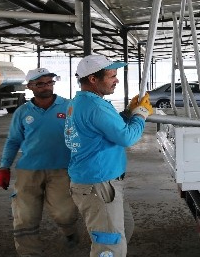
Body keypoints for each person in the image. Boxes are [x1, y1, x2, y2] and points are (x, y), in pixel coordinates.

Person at [64, 54, 152, 257]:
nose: (117, 80)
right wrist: (140, 114)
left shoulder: (81, 102)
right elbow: (127, 137)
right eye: (112, 76)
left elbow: (105, 128)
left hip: (100, 182)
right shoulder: (95, 106)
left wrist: (129, 112)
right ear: (93, 79)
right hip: (98, 184)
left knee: (125, 228)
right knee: (108, 245)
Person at [0, 67, 80, 256]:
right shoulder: (22, 112)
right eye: (40, 83)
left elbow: (83, 135)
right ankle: (29, 253)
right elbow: (13, 141)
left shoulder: (69, 107)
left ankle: (70, 232)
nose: (46, 87)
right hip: (29, 170)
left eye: (49, 82)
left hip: (62, 170)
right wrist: (4, 167)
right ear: (30, 87)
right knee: (25, 217)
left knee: (65, 213)